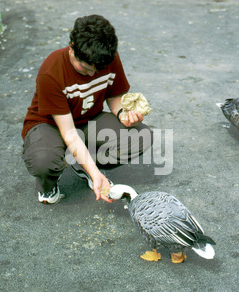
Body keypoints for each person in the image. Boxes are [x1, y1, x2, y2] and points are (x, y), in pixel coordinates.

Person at [21, 14, 152, 204]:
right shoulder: (51, 71)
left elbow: (114, 96)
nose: (91, 74)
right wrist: (96, 174)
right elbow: (69, 133)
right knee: (44, 161)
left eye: (97, 69)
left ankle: (83, 164)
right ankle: (48, 185)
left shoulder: (106, 57)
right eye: (84, 67)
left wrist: (122, 114)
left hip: (87, 120)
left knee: (141, 136)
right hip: (49, 125)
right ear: (72, 46)